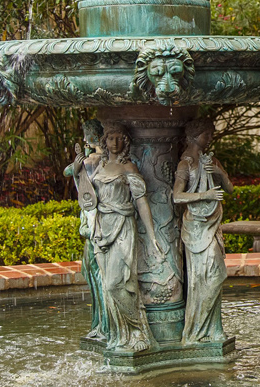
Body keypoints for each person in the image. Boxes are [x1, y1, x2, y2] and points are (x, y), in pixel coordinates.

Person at [91, 121, 164, 353]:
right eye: (111, 138)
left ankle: (136, 329)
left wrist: (152, 236)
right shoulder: (99, 167)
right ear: (105, 140)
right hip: (101, 230)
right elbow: (90, 200)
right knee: (107, 285)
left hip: (123, 226)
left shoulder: (129, 168)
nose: (114, 142)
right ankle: (118, 333)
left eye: (119, 138)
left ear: (126, 142)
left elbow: (141, 202)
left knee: (117, 283)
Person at [172, 119, 234, 344]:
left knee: (216, 274)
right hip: (197, 228)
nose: (210, 139)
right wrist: (204, 196)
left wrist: (219, 173)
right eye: (206, 134)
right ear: (194, 135)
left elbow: (230, 188)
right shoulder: (185, 164)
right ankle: (197, 330)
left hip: (212, 225)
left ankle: (214, 328)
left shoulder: (211, 160)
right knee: (203, 278)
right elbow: (177, 196)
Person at [64, 119, 107, 341]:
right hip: (94, 224)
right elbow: (70, 171)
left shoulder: (95, 161)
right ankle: (101, 323)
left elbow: (69, 171)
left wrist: (80, 164)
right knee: (96, 275)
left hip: (97, 226)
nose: (84, 138)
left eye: (87, 134)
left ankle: (104, 325)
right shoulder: (91, 160)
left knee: (98, 276)